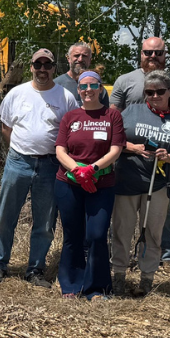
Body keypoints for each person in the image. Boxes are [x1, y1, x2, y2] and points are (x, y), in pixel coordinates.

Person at [0, 48, 80, 285]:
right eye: (37, 65)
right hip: (18, 162)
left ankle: (35, 270)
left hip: (51, 165)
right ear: (31, 67)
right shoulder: (16, 94)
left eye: (47, 65)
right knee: (4, 217)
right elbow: (6, 128)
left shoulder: (66, 97)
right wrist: (21, 150)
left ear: (54, 68)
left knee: (45, 221)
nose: (42, 70)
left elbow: (70, 133)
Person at [110, 71, 170, 296]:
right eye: (149, 92)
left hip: (158, 185)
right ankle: (118, 275)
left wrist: (169, 157)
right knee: (121, 231)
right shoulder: (131, 111)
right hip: (127, 182)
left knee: (153, 234)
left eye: (160, 91)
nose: (154, 95)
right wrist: (134, 148)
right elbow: (114, 139)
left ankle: (146, 279)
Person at [53, 71, 126, 298]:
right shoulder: (70, 117)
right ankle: (71, 285)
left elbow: (116, 149)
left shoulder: (111, 116)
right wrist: (77, 170)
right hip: (69, 183)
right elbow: (60, 149)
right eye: (83, 86)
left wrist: (92, 169)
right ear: (78, 90)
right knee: (73, 234)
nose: (88, 90)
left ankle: (97, 288)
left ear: (100, 88)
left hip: (101, 183)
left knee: (96, 235)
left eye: (93, 85)